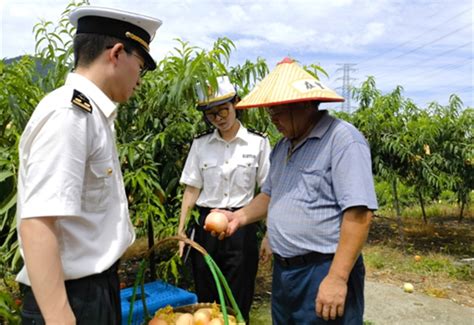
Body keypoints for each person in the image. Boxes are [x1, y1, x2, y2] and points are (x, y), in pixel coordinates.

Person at [16, 6, 162, 324]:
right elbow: (38, 222)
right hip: (71, 299)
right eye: (140, 66)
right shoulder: (69, 114)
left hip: (93, 291)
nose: (139, 79)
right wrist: (60, 317)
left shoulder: (94, 115)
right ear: (117, 53)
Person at [216, 57, 378, 324]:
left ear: (303, 104)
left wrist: (337, 278)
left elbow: (359, 214)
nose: (273, 120)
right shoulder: (282, 147)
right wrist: (239, 217)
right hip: (286, 274)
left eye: (277, 112)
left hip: (322, 269)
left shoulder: (342, 140)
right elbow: (270, 194)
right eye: (270, 113)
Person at [177, 75, 271, 322]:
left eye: (223, 110)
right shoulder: (201, 145)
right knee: (206, 298)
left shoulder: (257, 143)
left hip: (242, 226)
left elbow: (269, 191)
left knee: (239, 297)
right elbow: (192, 189)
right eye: (211, 114)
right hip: (206, 227)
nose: (218, 118)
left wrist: (269, 235)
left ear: (236, 104)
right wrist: (182, 232)